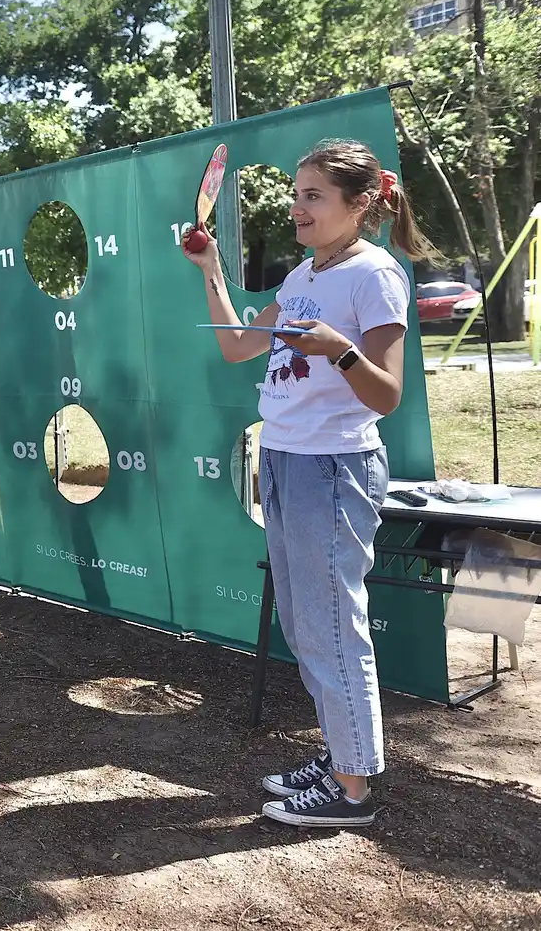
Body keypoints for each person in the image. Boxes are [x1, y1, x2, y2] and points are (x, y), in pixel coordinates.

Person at [182, 140, 435, 828]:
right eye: (297, 195)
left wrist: (340, 350)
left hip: (333, 469)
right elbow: (236, 345)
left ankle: (352, 794)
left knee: (331, 630)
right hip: (285, 459)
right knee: (304, 625)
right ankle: (342, 757)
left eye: (313, 196)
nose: (298, 207)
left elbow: (386, 395)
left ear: (360, 204)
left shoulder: (374, 275)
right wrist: (211, 268)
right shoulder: (302, 275)